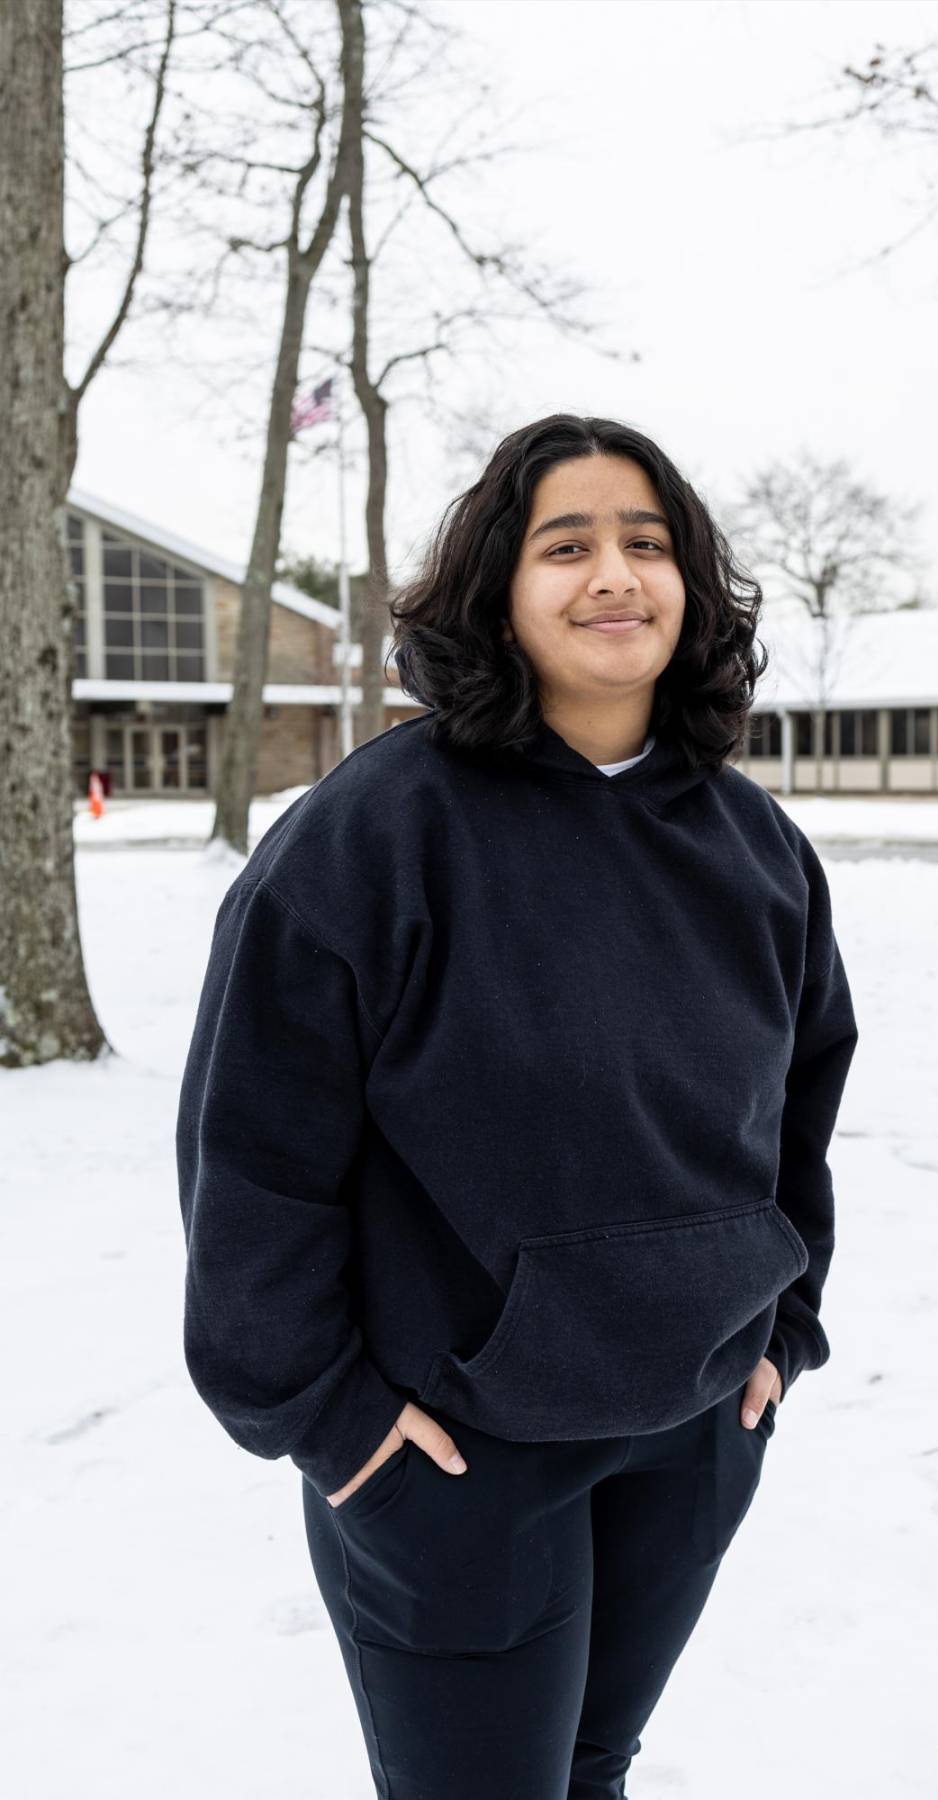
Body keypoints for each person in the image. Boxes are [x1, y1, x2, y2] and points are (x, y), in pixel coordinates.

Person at [175, 412, 858, 1799]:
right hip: (457, 1464)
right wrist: (330, 1418)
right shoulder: (373, 837)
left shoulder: (758, 849)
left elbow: (797, 1109)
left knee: (594, 1771)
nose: (616, 575)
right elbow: (254, 1156)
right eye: (569, 545)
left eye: (648, 543)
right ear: (499, 588)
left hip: (693, 1437)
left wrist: (781, 1330)